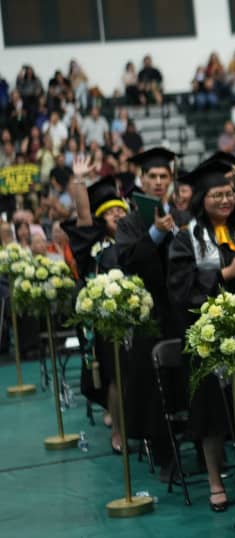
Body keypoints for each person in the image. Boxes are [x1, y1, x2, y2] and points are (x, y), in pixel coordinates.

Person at [167, 159, 235, 512]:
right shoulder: (187, 238)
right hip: (206, 341)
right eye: (216, 195)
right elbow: (181, 292)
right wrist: (227, 273)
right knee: (211, 419)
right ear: (201, 199)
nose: (225, 200)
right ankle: (215, 481)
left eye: (229, 194)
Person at [115, 147, 181, 479]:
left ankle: (194, 447)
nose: (157, 182)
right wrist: (156, 234)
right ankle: (164, 454)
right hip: (149, 315)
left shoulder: (181, 215)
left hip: (180, 312)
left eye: (163, 176)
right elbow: (127, 260)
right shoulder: (129, 222)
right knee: (155, 388)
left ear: (170, 180)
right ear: (141, 180)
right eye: (152, 176)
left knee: (183, 381)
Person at [62, 155, 129, 451]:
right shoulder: (94, 243)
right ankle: (118, 429)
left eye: (121, 210)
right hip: (104, 323)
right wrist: (79, 181)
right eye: (111, 211)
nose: (117, 214)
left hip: (133, 319)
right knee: (112, 376)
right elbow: (84, 214)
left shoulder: (133, 241)